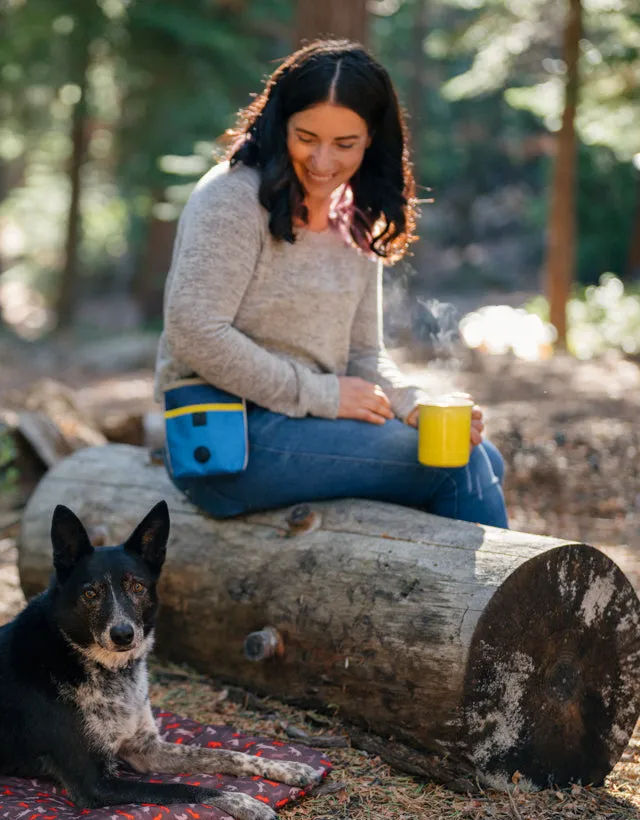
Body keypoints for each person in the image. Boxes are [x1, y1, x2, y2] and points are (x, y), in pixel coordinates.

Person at [153, 39, 508, 528]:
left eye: (345, 145)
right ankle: (504, 604)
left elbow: (362, 354)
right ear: (280, 124)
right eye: (306, 137)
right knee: (458, 469)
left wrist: (410, 401)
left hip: (309, 424)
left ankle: (428, 598)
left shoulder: (352, 215)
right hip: (224, 439)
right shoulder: (232, 199)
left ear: (371, 141)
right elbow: (194, 331)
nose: (322, 162)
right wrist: (322, 394)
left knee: (482, 455)